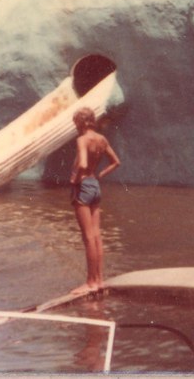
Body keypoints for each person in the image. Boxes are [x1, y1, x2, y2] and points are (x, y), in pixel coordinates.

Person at [69, 107, 120, 295]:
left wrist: (74, 178)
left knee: (88, 237)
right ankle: (99, 280)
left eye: (76, 123)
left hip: (83, 186)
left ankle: (90, 282)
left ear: (82, 122)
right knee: (97, 235)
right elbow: (116, 161)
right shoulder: (102, 139)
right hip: (95, 186)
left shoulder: (82, 140)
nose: (75, 127)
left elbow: (82, 163)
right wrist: (100, 174)